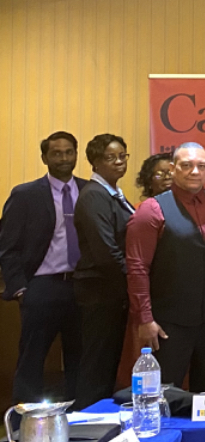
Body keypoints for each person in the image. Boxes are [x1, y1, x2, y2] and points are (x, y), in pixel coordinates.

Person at [125, 142, 205, 393]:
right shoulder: (151, 210)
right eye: (186, 165)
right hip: (168, 324)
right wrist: (144, 318)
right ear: (173, 169)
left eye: (200, 166)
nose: (194, 171)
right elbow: (137, 268)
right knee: (164, 394)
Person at [0, 132, 85, 403]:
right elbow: (7, 247)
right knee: (32, 360)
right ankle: (23, 421)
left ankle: (77, 419)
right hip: (41, 287)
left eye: (69, 152)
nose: (63, 158)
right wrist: (20, 289)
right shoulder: (25, 194)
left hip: (81, 287)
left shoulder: (89, 191)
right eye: (56, 153)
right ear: (44, 158)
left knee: (79, 360)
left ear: (76, 155)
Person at [72, 134, 134, 409]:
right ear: (95, 162)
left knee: (108, 361)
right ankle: (88, 419)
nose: (119, 162)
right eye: (111, 158)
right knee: (97, 363)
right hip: (100, 291)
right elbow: (106, 253)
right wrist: (134, 283)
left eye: (122, 156)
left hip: (111, 291)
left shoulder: (113, 192)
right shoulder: (94, 196)